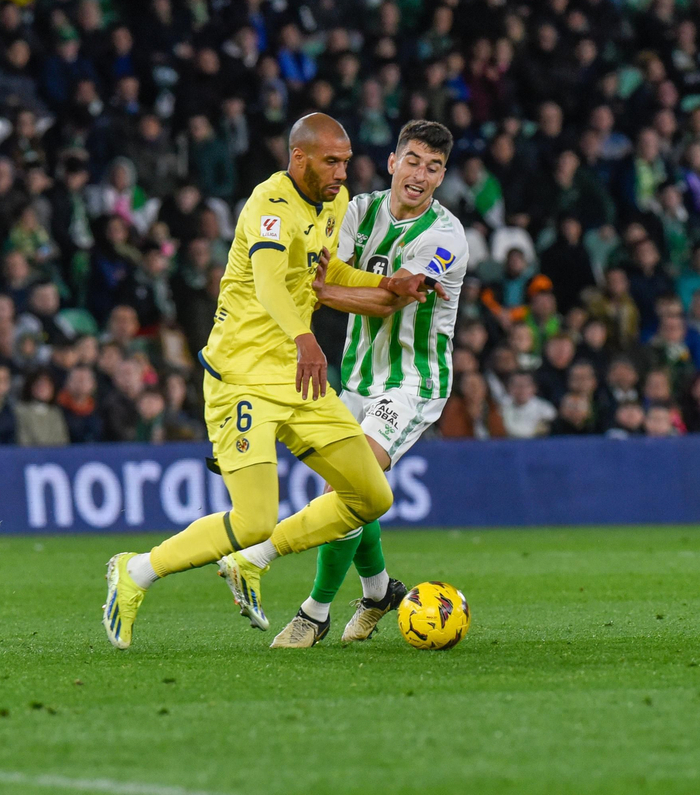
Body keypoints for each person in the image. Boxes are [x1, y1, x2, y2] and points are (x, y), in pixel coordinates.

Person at [100, 113, 430, 650]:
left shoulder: (334, 203)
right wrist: (306, 337)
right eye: (332, 161)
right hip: (243, 378)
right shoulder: (268, 206)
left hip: (298, 381)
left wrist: (388, 283)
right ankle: (135, 572)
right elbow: (273, 283)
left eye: (347, 161)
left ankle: (251, 563)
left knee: (372, 494)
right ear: (299, 158)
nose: (343, 172)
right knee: (253, 518)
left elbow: (328, 274)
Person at [230, 120, 469, 649]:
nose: (420, 175)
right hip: (358, 372)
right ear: (392, 162)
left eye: (433, 168)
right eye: (412, 161)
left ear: (442, 176)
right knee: (354, 493)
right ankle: (380, 591)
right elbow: (318, 269)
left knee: (345, 486)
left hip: (412, 380)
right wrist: (318, 283)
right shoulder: (356, 210)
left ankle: (312, 614)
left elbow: (388, 300)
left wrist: (322, 289)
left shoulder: (445, 237)